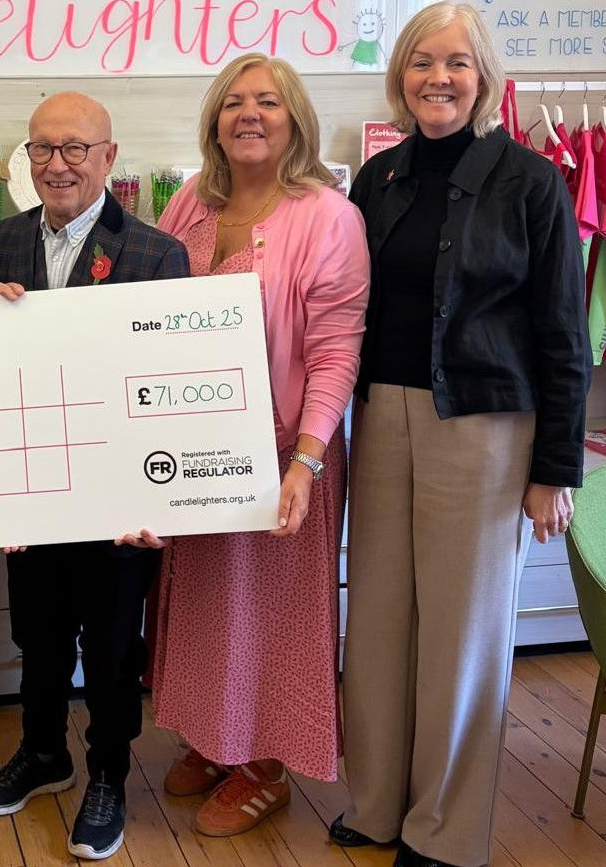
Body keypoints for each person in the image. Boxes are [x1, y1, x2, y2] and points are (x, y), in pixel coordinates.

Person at [335, 1, 590, 867]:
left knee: (461, 632)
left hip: (484, 429)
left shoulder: (533, 182)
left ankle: (443, 830)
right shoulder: (380, 179)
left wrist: (553, 470)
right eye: (419, 61)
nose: (436, 78)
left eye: (455, 62)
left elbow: (565, 334)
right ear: (399, 75)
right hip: (382, 417)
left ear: (485, 77)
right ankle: (374, 805)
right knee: (374, 620)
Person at [121, 53, 370, 837]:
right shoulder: (194, 199)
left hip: (281, 448)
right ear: (215, 121)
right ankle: (217, 739)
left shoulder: (329, 215)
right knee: (201, 604)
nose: (248, 114)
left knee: (265, 615)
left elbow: (336, 350)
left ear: (294, 117)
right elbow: (146, 305)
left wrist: (306, 460)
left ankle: (267, 763)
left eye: (267, 101)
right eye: (234, 103)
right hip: (198, 443)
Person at [0, 91, 189, 861]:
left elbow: (169, 384)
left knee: (112, 648)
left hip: (119, 500)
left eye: (74, 149)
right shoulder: (0, 242)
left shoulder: (158, 254)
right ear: (23, 159)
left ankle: (107, 773)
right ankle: (43, 752)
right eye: (41, 149)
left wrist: (157, 495)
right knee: (38, 633)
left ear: (108, 157)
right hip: (33, 490)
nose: (56, 164)